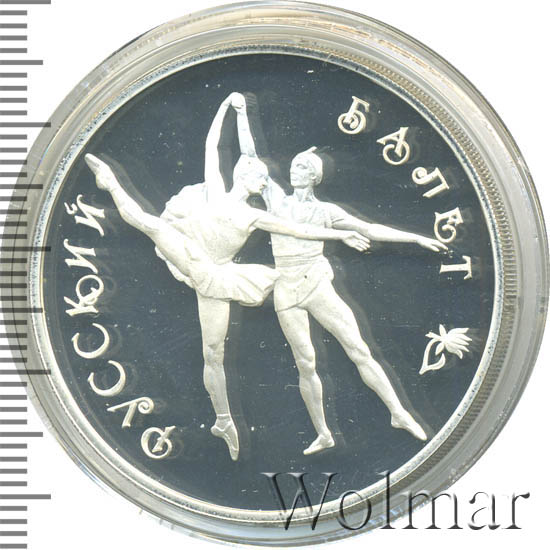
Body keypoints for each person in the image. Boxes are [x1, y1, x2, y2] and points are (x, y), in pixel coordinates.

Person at [84, 93, 369, 461]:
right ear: (241, 174)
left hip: (219, 275)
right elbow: (213, 145)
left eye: (263, 177)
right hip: (192, 255)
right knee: (148, 223)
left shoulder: (255, 216)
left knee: (213, 351)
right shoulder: (215, 190)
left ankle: (224, 422)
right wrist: (224, 109)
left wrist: (340, 235)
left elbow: (300, 231)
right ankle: (110, 182)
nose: (261, 179)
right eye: (257, 175)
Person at [232, 97, 448, 455]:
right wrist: (242, 115)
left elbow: (370, 229)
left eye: (303, 166)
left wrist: (416, 238)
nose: (295, 170)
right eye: (294, 165)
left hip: (316, 284)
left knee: (358, 349)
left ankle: (398, 413)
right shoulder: (276, 201)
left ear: (314, 176)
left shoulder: (326, 211)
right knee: (306, 362)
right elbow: (249, 155)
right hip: (285, 288)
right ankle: (323, 433)